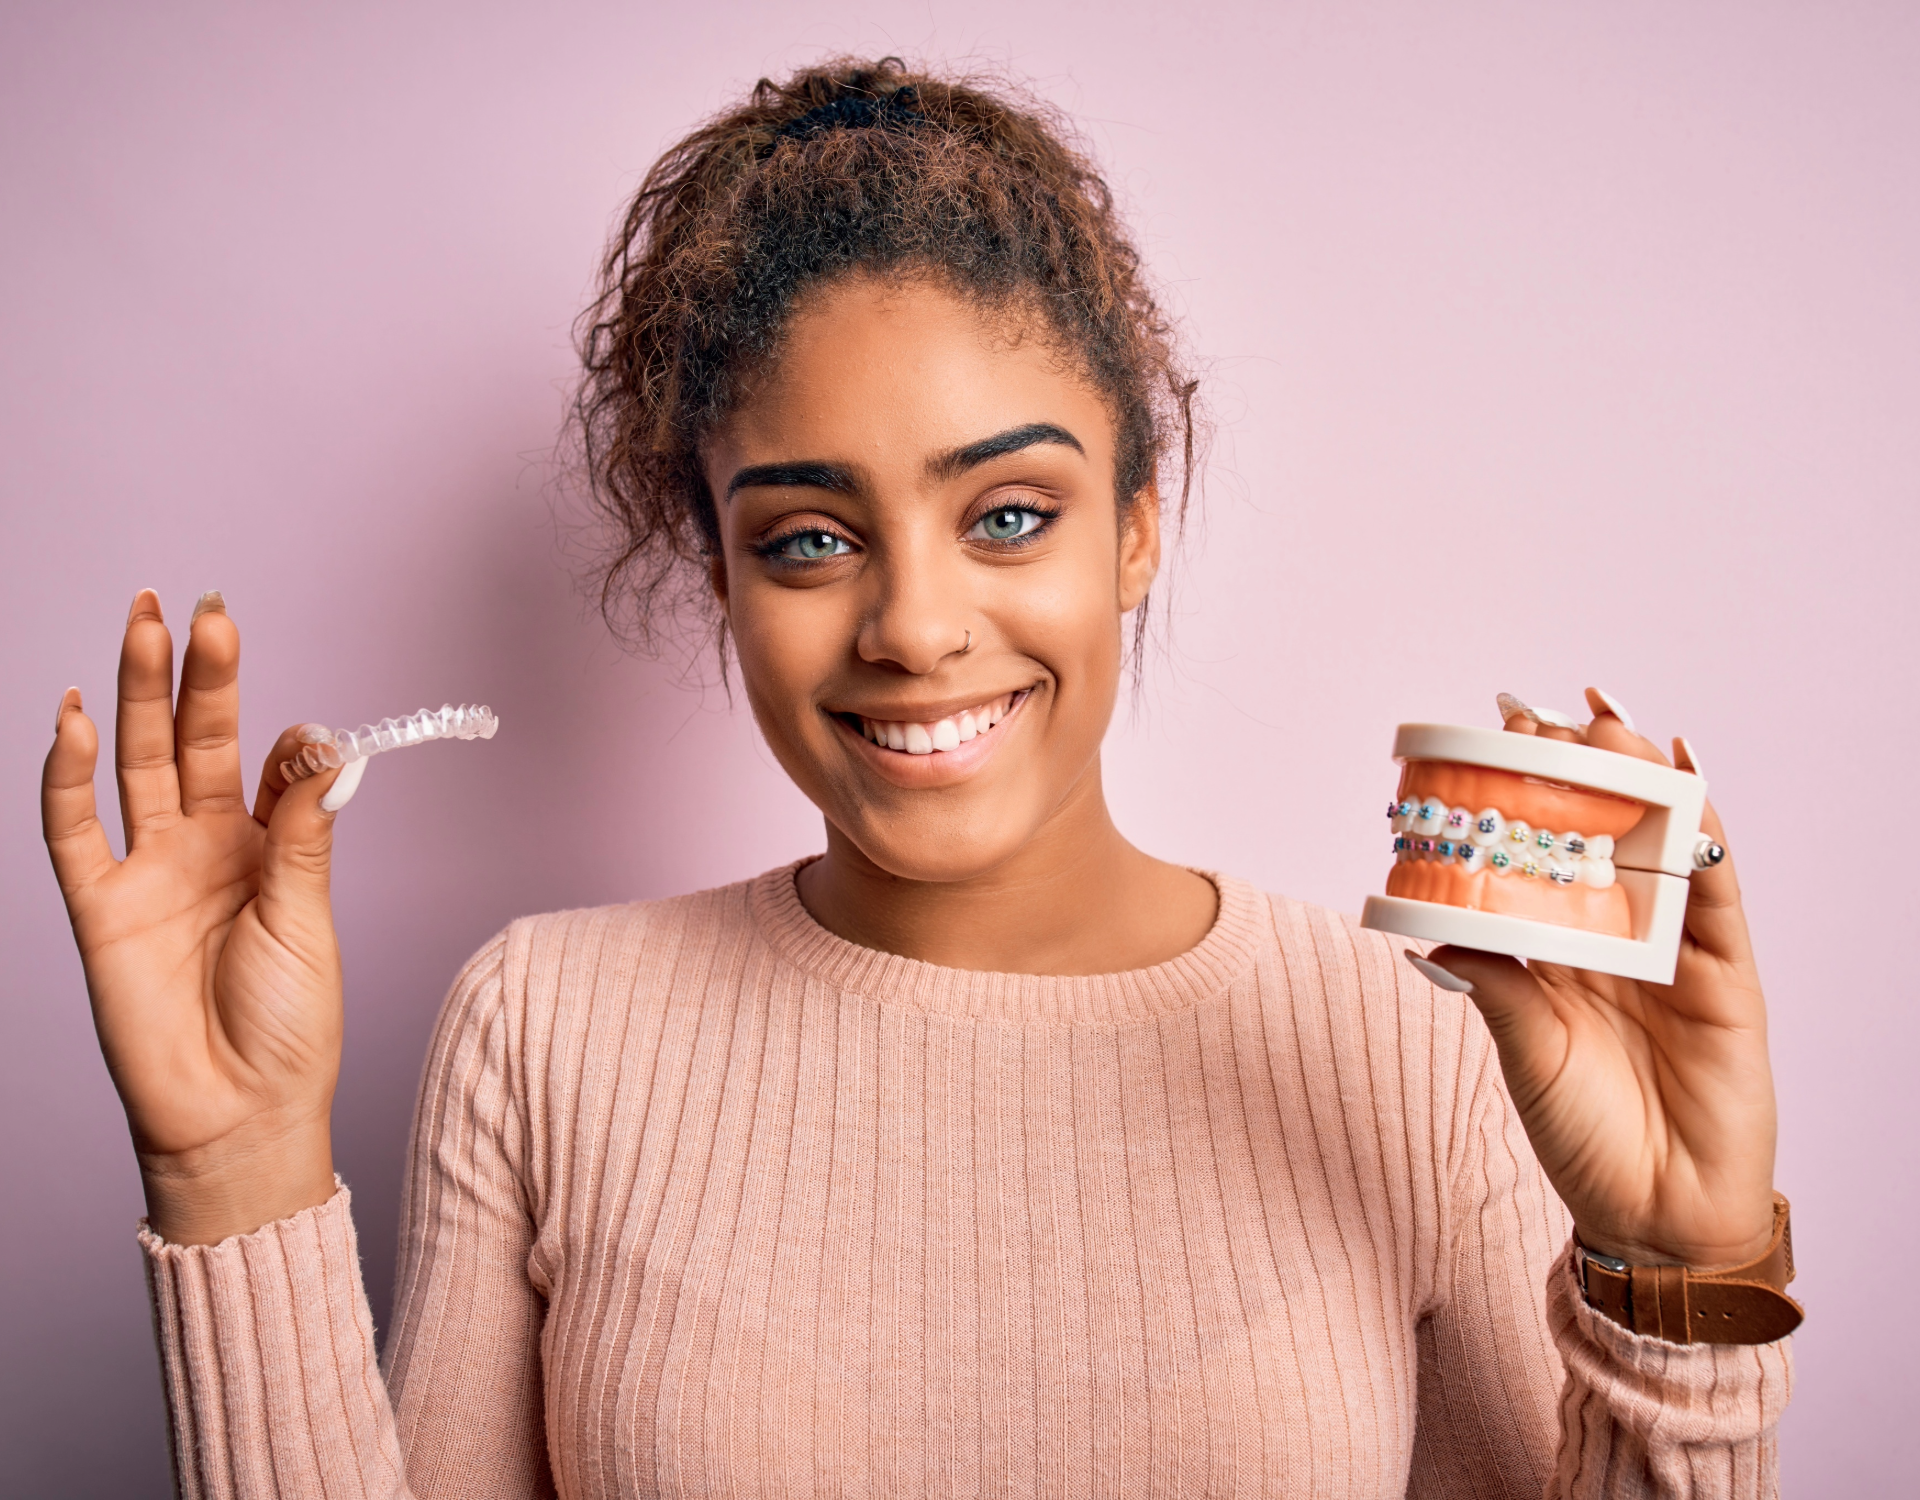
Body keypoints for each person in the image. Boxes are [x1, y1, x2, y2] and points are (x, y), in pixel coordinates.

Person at [41, 58, 1794, 1499]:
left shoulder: (1414, 1044)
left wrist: (1676, 1291)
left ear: (1139, 530)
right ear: (718, 577)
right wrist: (238, 1170)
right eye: (809, 538)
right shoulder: (547, 1029)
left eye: (1010, 513)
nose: (914, 624)